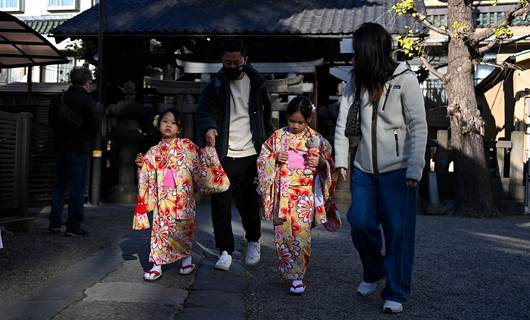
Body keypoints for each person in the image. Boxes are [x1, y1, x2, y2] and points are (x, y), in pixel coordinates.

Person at [334, 23, 428, 314]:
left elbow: (418, 126)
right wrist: (340, 160)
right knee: (360, 223)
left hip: (399, 169)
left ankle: (396, 292)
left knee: (398, 232)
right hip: (364, 168)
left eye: (358, 51)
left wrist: (415, 168)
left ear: (370, 51)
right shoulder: (356, 80)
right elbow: (341, 122)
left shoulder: (405, 79)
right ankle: (374, 270)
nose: (354, 57)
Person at [196, 38, 273, 271]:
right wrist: (209, 127)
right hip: (224, 153)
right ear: (222, 60)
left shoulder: (257, 82)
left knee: (249, 203)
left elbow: (267, 117)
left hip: (251, 152)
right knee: (221, 204)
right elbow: (204, 111)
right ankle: (225, 250)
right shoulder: (216, 85)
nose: (231, 67)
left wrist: (267, 147)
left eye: (236, 62)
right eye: (227, 63)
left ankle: (253, 240)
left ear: (245, 60)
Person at [133, 109, 229, 281]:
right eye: (165, 121)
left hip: (183, 198)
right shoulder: (154, 151)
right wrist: (142, 166)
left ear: (179, 128)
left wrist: (209, 150)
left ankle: (186, 259)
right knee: (160, 231)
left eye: (173, 122)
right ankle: (156, 265)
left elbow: (201, 163)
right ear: (158, 124)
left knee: (184, 229)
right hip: (163, 199)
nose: (168, 125)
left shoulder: (187, 146)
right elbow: (147, 175)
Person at [257, 96, 338, 295]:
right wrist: (274, 158)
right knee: (283, 234)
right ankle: (290, 271)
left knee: (301, 235)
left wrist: (320, 163)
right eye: (292, 121)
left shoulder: (317, 139)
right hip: (283, 195)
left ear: (308, 119)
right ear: (286, 118)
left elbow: (329, 163)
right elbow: (262, 158)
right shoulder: (277, 137)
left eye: (300, 122)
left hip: (304, 195)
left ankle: (297, 275)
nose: (295, 125)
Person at [48, 67, 100, 237]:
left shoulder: (59, 98)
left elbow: (51, 122)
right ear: (87, 82)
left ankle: (54, 223)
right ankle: (73, 226)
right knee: (77, 189)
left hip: (60, 147)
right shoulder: (88, 100)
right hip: (79, 148)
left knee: (59, 187)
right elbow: (94, 126)